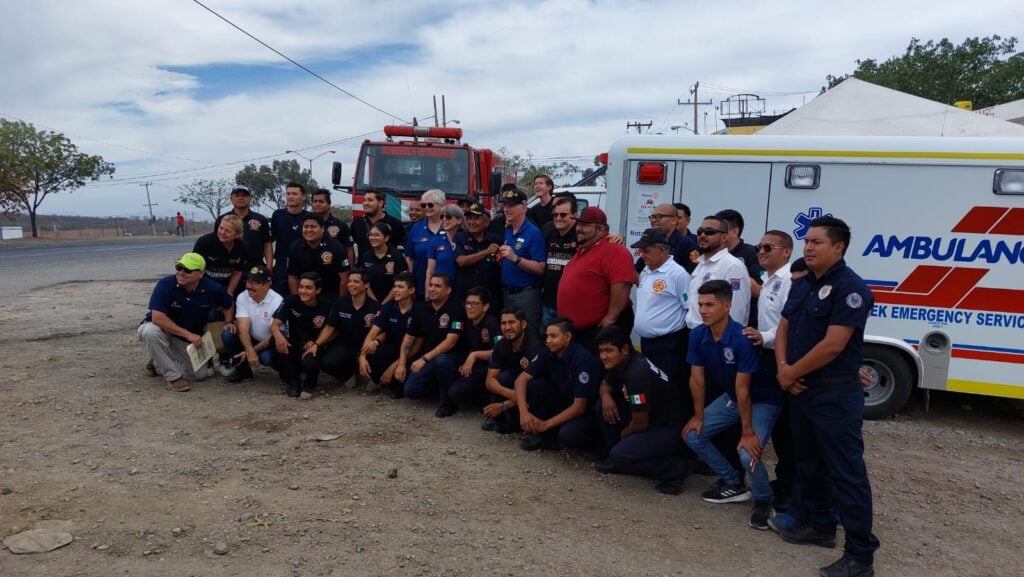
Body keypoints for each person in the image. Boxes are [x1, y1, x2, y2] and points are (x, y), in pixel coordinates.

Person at [773, 216, 879, 577]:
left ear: (839, 247)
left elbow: (834, 345)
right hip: (801, 389)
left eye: (817, 242)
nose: (809, 247)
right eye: (807, 241)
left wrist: (791, 373)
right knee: (809, 464)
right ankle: (818, 527)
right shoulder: (804, 283)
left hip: (834, 394)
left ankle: (860, 556)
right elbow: (785, 325)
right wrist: (784, 370)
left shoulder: (851, 289)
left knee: (846, 474)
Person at [682, 280, 781, 530]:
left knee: (749, 452)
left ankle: (763, 500)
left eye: (710, 305)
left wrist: (747, 433)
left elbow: (743, 389)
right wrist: (697, 416)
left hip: (762, 400)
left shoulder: (742, 338)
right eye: (700, 304)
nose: (703, 310)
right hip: (734, 397)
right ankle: (733, 483)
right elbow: (696, 379)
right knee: (693, 435)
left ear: (727, 306)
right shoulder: (697, 334)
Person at [593, 327, 689, 495]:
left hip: (668, 428)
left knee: (620, 455)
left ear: (624, 349)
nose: (603, 356)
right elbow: (605, 385)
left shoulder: (637, 372)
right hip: (651, 420)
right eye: (601, 351)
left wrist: (625, 433)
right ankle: (618, 456)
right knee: (601, 406)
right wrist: (606, 398)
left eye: (609, 351)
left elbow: (640, 422)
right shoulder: (624, 363)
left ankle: (675, 470)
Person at [741, 230, 797, 512]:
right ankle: (782, 484)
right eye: (759, 247)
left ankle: (788, 490)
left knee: (786, 431)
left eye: (768, 247)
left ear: (786, 252)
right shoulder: (768, 280)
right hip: (764, 358)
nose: (761, 252)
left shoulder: (788, 281)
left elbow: (789, 326)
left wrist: (765, 337)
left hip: (780, 359)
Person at [138, 253, 234, 392]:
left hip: (182, 339)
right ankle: (173, 377)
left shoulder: (213, 288)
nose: (181, 273)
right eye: (179, 267)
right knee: (150, 331)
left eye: (187, 270)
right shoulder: (165, 284)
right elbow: (157, 318)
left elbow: (228, 304)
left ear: (201, 274)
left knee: (199, 375)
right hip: (162, 330)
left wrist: (228, 321)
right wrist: (188, 334)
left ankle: (158, 361)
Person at [514, 317, 602, 452]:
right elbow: (521, 380)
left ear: (567, 337)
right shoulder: (548, 352)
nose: (548, 340)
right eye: (547, 336)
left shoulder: (582, 359)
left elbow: (579, 407)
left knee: (568, 436)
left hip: (584, 411)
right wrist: (523, 412)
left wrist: (545, 424)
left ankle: (596, 447)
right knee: (534, 385)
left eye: (553, 336)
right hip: (564, 401)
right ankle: (547, 438)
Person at [557, 206, 635, 352]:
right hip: (580, 333)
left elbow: (623, 285)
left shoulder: (614, 250)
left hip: (600, 330)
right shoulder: (584, 249)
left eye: (585, 225)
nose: (579, 228)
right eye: (578, 224)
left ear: (600, 229)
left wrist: (611, 318)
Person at [631, 228, 692, 390]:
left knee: (668, 386)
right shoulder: (645, 271)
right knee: (650, 385)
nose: (642, 254)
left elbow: (690, 308)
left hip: (668, 344)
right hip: (647, 343)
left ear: (661, 250)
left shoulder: (678, 274)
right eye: (641, 250)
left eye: (646, 250)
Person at [395, 273, 466, 405]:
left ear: (448, 290)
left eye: (437, 286)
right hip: (429, 357)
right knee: (411, 391)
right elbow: (409, 338)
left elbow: (450, 342)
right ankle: (438, 390)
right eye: (431, 285)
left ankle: (449, 401)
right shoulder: (422, 309)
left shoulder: (457, 308)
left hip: (453, 356)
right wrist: (401, 364)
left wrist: (424, 359)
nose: (432, 289)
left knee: (442, 361)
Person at [439, 286, 499, 417]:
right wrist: (468, 358)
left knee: (458, 392)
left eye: (474, 304)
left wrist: (474, 355)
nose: (469, 307)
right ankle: (447, 404)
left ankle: (487, 407)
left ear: (485, 306)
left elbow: (500, 352)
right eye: (467, 303)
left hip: (489, 365)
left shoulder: (492, 323)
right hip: (473, 362)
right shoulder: (467, 321)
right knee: (443, 362)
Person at [271, 271, 332, 397]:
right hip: (296, 343)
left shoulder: (327, 305)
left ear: (318, 290)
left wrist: (316, 344)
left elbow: (333, 331)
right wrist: (277, 334)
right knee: (275, 341)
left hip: (315, 345)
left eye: (308, 288)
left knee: (309, 363)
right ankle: (294, 382)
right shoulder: (290, 300)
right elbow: (274, 325)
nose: (303, 291)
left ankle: (311, 378)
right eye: (301, 287)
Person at [684, 215, 751, 330]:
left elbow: (736, 310)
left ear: (724, 237)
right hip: (695, 333)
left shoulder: (732, 266)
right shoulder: (701, 264)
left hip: (717, 337)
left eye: (709, 232)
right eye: (700, 232)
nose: (703, 235)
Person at [483, 307, 544, 434]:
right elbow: (489, 381)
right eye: (503, 323)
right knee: (503, 377)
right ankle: (501, 420)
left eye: (512, 322)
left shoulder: (535, 346)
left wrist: (504, 405)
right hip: (517, 391)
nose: (507, 327)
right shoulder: (501, 344)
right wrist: (513, 395)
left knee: (533, 386)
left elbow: (535, 387)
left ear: (523, 324)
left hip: (535, 391)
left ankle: (537, 430)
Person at [318, 268, 380, 388]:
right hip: (346, 345)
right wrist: (316, 345)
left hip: (367, 347)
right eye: (349, 281)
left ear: (366, 285)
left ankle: (374, 378)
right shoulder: (340, 303)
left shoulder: (375, 307)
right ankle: (348, 375)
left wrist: (373, 344)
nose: (351, 284)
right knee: (326, 361)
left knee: (380, 357)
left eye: (356, 281)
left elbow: (382, 333)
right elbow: (329, 328)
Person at [221, 264, 283, 384]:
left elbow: (274, 334)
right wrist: (250, 350)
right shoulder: (242, 297)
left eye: (255, 283)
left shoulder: (277, 301)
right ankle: (243, 371)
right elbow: (243, 328)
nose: (249, 286)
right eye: (248, 281)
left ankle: (286, 372)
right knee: (228, 335)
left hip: (270, 342)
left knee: (267, 358)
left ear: (266, 285)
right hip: (251, 337)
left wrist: (252, 351)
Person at [497, 185, 546, 335]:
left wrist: (516, 258)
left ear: (524, 208)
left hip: (527, 295)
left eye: (511, 205)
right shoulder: (508, 230)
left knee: (529, 336)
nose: (506, 209)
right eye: (505, 205)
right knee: (511, 336)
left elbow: (540, 268)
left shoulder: (533, 233)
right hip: (507, 294)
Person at [359, 272, 417, 397]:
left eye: (400, 287)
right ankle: (382, 381)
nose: (396, 290)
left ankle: (395, 382)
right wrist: (362, 357)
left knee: (406, 390)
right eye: (394, 286)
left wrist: (394, 366)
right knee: (372, 351)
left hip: (413, 353)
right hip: (393, 348)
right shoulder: (388, 307)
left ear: (411, 290)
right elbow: (373, 332)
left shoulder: (419, 310)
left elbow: (417, 345)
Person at [287, 214, 351, 303]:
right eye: (306, 227)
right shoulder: (295, 248)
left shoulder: (336, 247)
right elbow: (293, 277)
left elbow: (344, 277)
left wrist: (341, 303)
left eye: (313, 227)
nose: (309, 230)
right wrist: (297, 301)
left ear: (322, 229)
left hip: (331, 296)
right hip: (306, 296)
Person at [716, 209, 763, 326]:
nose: (716, 234)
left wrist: (737, 271)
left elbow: (759, 291)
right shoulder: (713, 254)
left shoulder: (751, 253)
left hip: (743, 322)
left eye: (721, 230)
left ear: (734, 231)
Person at [453, 202, 502, 304]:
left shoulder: (496, 241)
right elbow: (461, 261)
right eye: (469, 218)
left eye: (476, 218)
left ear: (487, 222)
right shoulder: (459, 238)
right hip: (464, 298)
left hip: (489, 299)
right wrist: (486, 252)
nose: (472, 222)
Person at [540, 195, 578, 327]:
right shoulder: (547, 229)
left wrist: (614, 236)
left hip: (572, 304)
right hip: (548, 302)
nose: (558, 218)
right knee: (549, 342)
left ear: (575, 215)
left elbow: (600, 234)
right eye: (555, 214)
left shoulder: (582, 232)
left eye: (563, 215)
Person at [215, 185, 273, 270]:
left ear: (250, 199)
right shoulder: (222, 219)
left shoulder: (260, 219)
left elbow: (267, 245)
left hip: (255, 267)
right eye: (237, 195)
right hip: (229, 266)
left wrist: (269, 268)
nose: (240, 198)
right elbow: (216, 243)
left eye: (244, 195)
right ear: (231, 199)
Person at [270, 182, 310, 296]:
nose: (290, 197)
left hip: (302, 263)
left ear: (303, 197)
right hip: (281, 264)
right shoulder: (277, 215)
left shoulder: (308, 217)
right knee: (278, 296)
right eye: (288, 194)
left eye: (294, 194)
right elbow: (271, 239)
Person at [405, 189, 446, 298]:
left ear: (441, 205)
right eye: (424, 205)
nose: (427, 208)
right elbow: (409, 257)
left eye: (430, 204)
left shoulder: (450, 227)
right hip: (420, 286)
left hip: (446, 289)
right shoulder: (416, 227)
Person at [192, 215, 247, 296]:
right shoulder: (204, 242)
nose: (222, 233)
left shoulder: (242, 247)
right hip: (204, 285)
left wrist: (229, 295)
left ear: (237, 234)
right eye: (221, 228)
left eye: (228, 231)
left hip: (226, 285)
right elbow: (193, 270)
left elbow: (237, 274)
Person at [356, 221, 408, 304]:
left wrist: (384, 304)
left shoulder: (397, 257)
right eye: (371, 235)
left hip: (393, 303)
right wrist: (374, 303)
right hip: (370, 302)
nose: (373, 238)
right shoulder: (366, 256)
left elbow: (400, 282)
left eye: (377, 235)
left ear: (386, 237)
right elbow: (364, 281)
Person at [638, 203, 699, 274]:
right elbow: (637, 270)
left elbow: (692, 275)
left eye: (658, 217)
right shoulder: (651, 242)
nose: (654, 220)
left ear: (673, 220)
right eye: (652, 217)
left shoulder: (687, 244)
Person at [311, 188, 356, 269]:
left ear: (329, 204)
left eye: (321, 201)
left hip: (336, 271)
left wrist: (351, 271)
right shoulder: (306, 225)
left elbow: (349, 249)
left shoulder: (340, 225)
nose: (317, 204)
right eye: (315, 201)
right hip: (311, 272)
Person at [352, 190, 406, 256]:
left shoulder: (395, 224)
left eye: (370, 200)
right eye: (364, 200)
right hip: (364, 265)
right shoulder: (357, 224)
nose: (365, 203)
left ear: (380, 203)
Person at [426, 204, 465, 289]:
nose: (444, 220)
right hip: (440, 290)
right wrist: (428, 293)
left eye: (448, 217)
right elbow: (430, 271)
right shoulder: (436, 242)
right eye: (442, 217)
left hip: (462, 289)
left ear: (459, 220)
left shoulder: (466, 240)